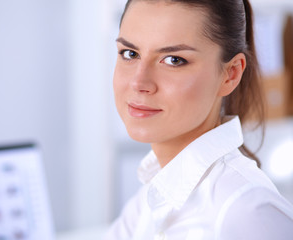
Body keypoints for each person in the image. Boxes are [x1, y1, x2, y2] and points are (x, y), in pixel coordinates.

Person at [105, 0, 293, 239]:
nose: (138, 83)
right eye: (129, 54)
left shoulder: (246, 212)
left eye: (174, 60)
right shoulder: (147, 202)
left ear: (230, 74)